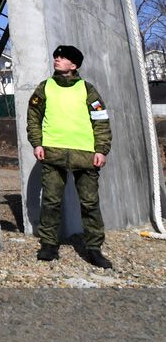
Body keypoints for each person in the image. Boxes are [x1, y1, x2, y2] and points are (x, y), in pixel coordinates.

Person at [27, 45, 112, 268]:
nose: (57, 59)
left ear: (73, 65)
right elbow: (33, 117)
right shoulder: (45, 87)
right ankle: (48, 245)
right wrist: (37, 143)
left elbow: (101, 120)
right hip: (53, 152)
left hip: (85, 154)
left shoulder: (88, 89)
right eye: (56, 55)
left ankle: (94, 249)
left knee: (90, 204)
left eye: (62, 57)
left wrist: (101, 150)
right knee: (51, 201)